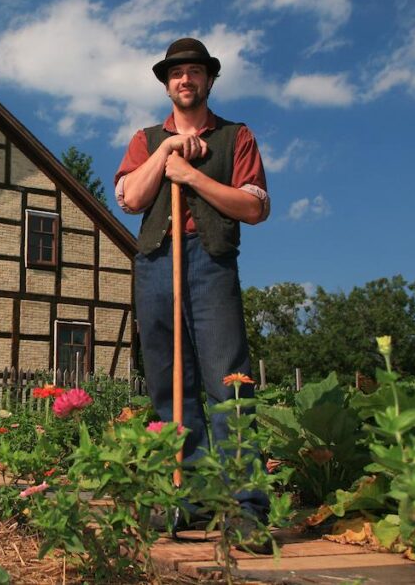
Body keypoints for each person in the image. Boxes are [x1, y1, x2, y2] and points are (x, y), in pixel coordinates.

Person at [114, 37, 271, 540]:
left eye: (195, 71)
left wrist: (189, 175)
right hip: (156, 262)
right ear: (166, 83)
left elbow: (254, 208)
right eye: (177, 73)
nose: (186, 79)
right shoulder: (145, 139)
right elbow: (132, 200)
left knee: (229, 382)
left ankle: (245, 507)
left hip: (211, 261)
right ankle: (194, 501)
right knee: (168, 385)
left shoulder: (235, 136)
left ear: (208, 79)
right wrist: (166, 153)